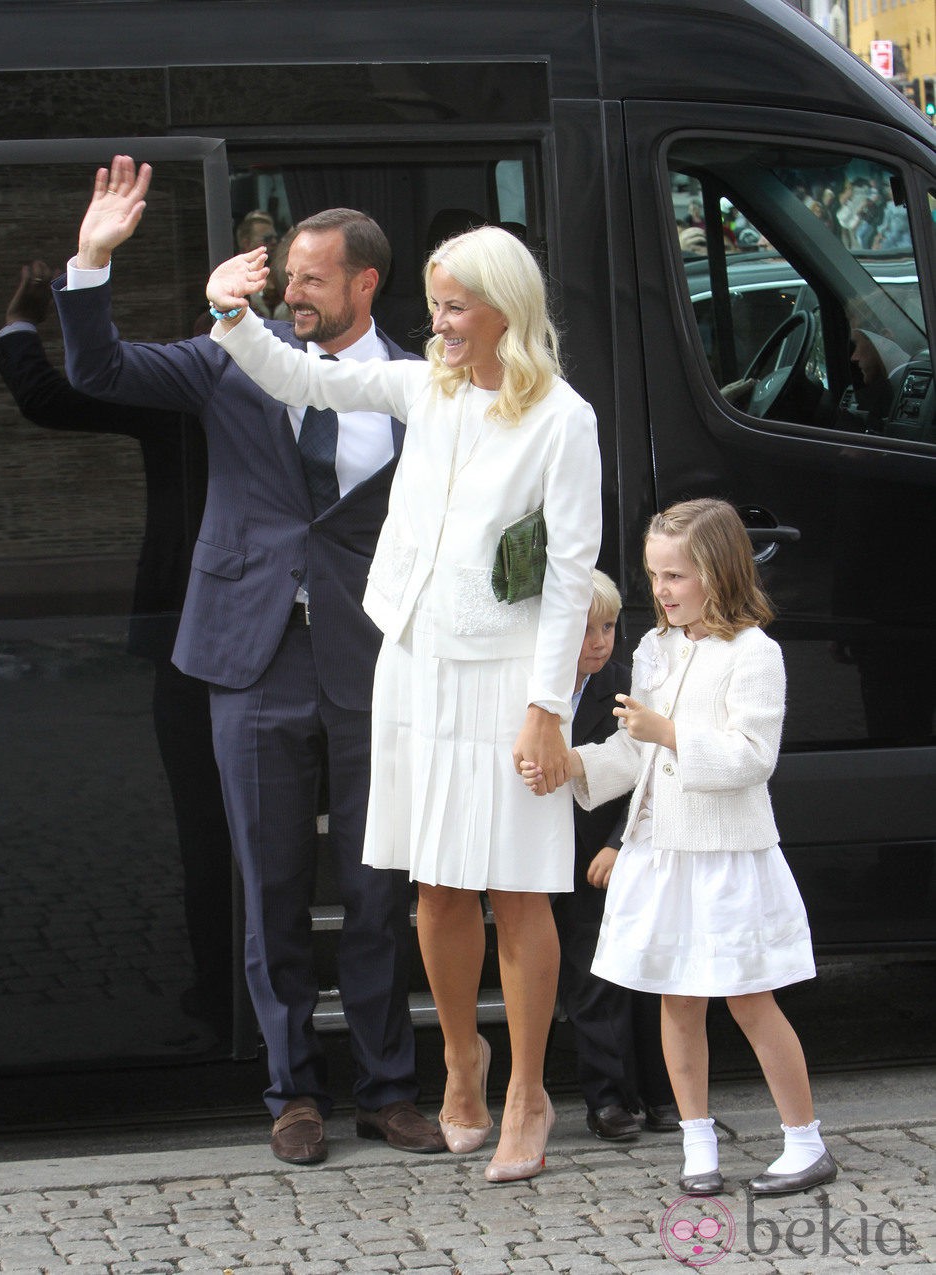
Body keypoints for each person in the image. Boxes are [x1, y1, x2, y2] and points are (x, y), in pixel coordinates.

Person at [52, 155, 444, 1165]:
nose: (291, 293)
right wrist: (92, 260)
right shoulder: (233, 353)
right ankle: (292, 1093)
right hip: (251, 657)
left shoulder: (420, 384)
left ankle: (388, 1090)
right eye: (286, 277)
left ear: (364, 283)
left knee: (376, 892)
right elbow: (99, 373)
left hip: (373, 662)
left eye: (311, 278)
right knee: (270, 890)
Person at [204, 219, 602, 1182]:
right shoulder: (421, 385)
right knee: (436, 885)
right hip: (413, 668)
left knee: (518, 887)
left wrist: (548, 706)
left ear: (506, 308)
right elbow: (301, 379)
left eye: (455, 307)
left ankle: (527, 1093)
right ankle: (462, 1059)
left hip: (510, 679)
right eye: (434, 307)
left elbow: (567, 578)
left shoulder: (564, 419)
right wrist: (233, 314)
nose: (440, 324)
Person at [523, 498, 836, 1199]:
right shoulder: (654, 647)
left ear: (717, 572)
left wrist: (668, 733)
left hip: (727, 856)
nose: (660, 590)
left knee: (751, 999)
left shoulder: (754, 653)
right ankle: (698, 1144)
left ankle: (805, 1141)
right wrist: (572, 764)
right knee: (677, 999)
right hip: (662, 851)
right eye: (655, 574)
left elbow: (753, 757)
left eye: (675, 575)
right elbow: (634, 751)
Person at [0, 260, 234, 1040]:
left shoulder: (182, 394)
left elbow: (47, 397)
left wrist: (22, 319)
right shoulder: (269, 391)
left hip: (190, 636)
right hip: (222, 633)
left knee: (205, 827)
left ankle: (221, 992)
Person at [552, 570, 678, 1143]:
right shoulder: (534, 693)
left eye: (607, 628)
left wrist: (617, 843)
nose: (599, 642)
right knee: (584, 981)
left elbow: (649, 774)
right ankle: (607, 1097)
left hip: (605, 857)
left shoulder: (626, 687)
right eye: (585, 630)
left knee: (624, 978)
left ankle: (646, 1097)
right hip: (548, 857)